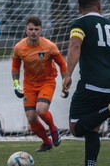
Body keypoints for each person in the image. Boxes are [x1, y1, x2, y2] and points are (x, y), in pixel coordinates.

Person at [61, 0, 110, 166]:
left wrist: (68, 74)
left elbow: (75, 46)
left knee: (76, 128)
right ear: (100, 6)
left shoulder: (80, 24)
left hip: (92, 84)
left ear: (79, 8)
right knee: (93, 128)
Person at [11, 15, 68, 152]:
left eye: (36, 29)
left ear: (40, 30)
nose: (34, 32)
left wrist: (65, 80)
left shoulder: (49, 46)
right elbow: (15, 67)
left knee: (41, 110)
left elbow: (61, 63)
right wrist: (16, 83)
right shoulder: (19, 47)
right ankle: (47, 142)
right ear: (26, 30)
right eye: (31, 29)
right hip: (29, 85)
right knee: (31, 119)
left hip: (46, 82)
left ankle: (54, 129)